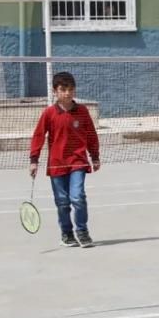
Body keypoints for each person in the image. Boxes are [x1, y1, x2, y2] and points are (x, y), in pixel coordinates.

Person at [29, 72, 101, 248]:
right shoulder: (49, 113)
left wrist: (95, 156)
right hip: (57, 163)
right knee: (62, 202)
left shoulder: (82, 111)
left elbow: (91, 134)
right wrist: (34, 159)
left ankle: (82, 232)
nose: (67, 93)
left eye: (70, 89)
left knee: (78, 197)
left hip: (78, 162)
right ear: (55, 91)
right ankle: (67, 234)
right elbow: (38, 136)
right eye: (63, 89)